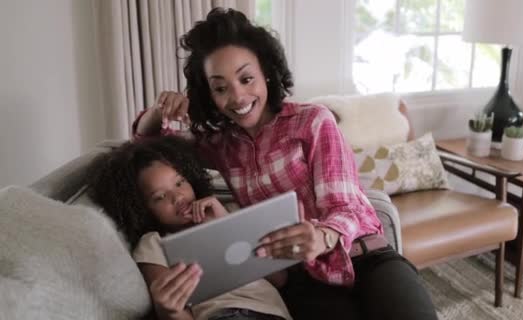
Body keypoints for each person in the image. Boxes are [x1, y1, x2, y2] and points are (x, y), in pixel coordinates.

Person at [133, 7, 437, 320]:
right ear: (209, 95)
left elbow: (348, 207)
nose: (237, 97)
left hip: (367, 257)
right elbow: (150, 148)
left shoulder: (312, 122)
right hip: (306, 281)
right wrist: (159, 111)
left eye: (246, 78)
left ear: (266, 73)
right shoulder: (220, 145)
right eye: (221, 88)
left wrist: (322, 236)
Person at [88, 136, 292, 320]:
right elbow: (173, 308)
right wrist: (168, 309)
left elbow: (279, 279)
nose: (177, 197)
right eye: (160, 197)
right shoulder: (154, 243)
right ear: (142, 209)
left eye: (180, 183)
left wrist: (225, 224)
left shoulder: (231, 210)